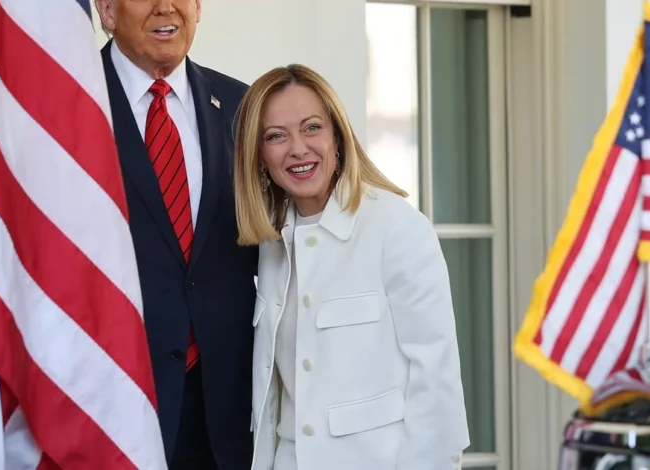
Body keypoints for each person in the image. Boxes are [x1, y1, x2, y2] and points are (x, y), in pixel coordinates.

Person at [234, 63, 470, 470]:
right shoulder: (270, 242)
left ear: (338, 136)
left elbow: (436, 382)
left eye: (312, 128)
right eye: (276, 136)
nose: (298, 149)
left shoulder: (396, 226)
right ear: (259, 155)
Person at [94, 1, 258, 469]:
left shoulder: (245, 107)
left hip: (225, 421)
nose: (166, 7)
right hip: (110, 404)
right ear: (107, 10)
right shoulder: (68, 101)